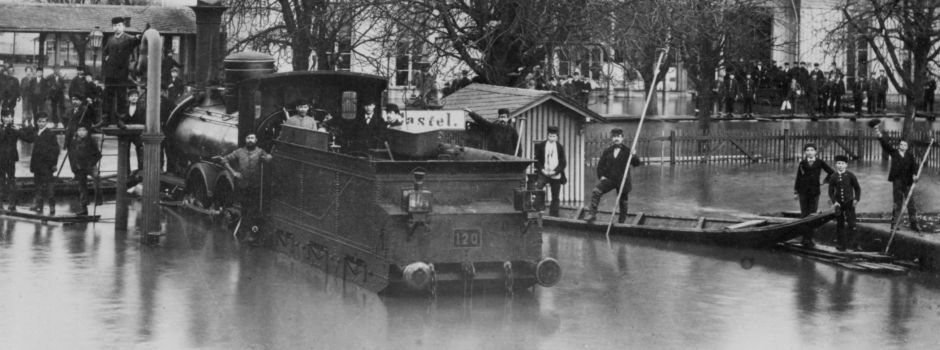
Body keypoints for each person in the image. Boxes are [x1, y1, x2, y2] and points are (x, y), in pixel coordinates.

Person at [219, 133, 273, 242]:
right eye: (248, 138)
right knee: (245, 209)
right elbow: (224, 160)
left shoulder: (260, 151)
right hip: (243, 186)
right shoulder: (239, 152)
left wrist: (268, 157)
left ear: (256, 140)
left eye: (252, 138)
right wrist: (233, 172)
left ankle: (252, 234)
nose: (250, 140)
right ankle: (243, 233)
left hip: (255, 186)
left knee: (255, 210)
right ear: (245, 139)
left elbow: (269, 157)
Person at [583, 128, 642, 224]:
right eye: (614, 137)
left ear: (622, 138)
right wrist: (601, 176)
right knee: (596, 191)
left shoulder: (628, 151)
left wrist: (634, 155)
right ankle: (592, 214)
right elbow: (600, 166)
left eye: (618, 136)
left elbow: (636, 164)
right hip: (610, 179)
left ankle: (621, 221)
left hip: (623, 180)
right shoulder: (607, 151)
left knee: (623, 201)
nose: (616, 139)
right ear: (612, 138)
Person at [95, 16, 141, 130]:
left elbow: (138, 39)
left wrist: (141, 35)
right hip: (110, 74)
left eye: (119, 25)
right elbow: (105, 52)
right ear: (112, 27)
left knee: (121, 96)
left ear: (123, 26)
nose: (117, 28)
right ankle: (105, 119)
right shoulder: (110, 39)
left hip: (122, 74)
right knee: (107, 96)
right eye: (115, 26)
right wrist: (106, 60)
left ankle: (121, 119)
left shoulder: (129, 38)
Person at [875, 127, 921, 231]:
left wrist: (915, 174)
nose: (903, 146)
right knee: (897, 203)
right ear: (898, 145)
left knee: (911, 203)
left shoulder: (910, 156)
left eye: (905, 145)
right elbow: (885, 145)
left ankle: (914, 224)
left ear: (907, 146)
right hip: (897, 182)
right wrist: (879, 134)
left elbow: (915, 167)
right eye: (901, 144)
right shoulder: (894, 153)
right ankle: (895, 224)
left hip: (908, 182)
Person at [793, 143, 834, 247]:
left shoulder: (820, 162)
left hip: (815, 192)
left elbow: (832, 173)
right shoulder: (802, 163)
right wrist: (796, 192)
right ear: (805, 152)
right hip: (803, 192)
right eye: (807, 150)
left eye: (812, 150)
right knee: (804, 215)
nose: (810, 152)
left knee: (812, 216)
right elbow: (798, 177)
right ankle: (804, 239)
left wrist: (824, 182)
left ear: (815, 152)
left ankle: (810, 239)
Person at [23, 114, 60, 215]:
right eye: (39, 121)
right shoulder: (36, 133)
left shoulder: (50, 134)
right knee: (37, 185)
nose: (41, 123)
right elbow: (27, 138)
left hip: (47, 165)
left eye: (43, 121)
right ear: (37, 122)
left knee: (49, 186)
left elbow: (56, 150)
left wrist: (54, 164)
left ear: (46, 122)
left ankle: (52, 206)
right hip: (37, 164)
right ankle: (39, 205)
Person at [827, 155, 861, 251]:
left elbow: (857, 188)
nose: (840, 165)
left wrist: (856, 199)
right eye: (838, 163)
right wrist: (834, 202)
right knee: (840, 224)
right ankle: (841, 245)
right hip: (839, 204)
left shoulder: (850, 175)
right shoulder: (833, 176)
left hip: (849, 203)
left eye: (842, 163)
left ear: (846, 165)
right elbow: (830, 191)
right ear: (835, 164)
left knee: (852, 224)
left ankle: (855, 245)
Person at [534, 126, 567, 217]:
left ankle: (554, 214)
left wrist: (555, 171)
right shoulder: (541, 145)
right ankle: (539, 210)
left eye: (554, 136)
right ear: (547, 135)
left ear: (557, 137)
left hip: (555, 174)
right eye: (550, 136)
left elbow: (563, 163)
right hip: (543, 173)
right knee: (538, 189)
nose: (552, 138)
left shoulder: (560, 147)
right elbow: (537, 160)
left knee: (555, 194)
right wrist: (542, 170)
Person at [68, 126, 101, 216]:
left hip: (90, 165)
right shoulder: (74, 142)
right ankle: (84, 208)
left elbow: (98, 154)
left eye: (84, 130)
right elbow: (72, 156)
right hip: (80, 167)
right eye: (79, 130)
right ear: (77, 132)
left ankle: (98, 199)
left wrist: (91, 163)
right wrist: (74, 168)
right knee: (82, 187)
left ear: (87, 131)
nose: (81, 132)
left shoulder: (91, 141)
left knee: (97, 178)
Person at [0, 112, 26, 210]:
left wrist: (19, 130)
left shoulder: (14, 129)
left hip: (10, 158)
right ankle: (1, 202)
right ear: (2, 118)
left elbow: (27, 138)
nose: (9, 118)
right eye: (6, 117)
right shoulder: (2, 128)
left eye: (10, 116)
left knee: (11, 180)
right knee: (1, 180)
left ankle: (12, 203)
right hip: (1, 158)